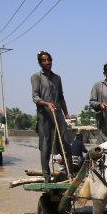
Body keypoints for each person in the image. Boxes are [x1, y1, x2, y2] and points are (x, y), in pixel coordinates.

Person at [31, 50, 72, 183]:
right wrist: (46, 104)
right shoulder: (36, 77)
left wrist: (66, 113)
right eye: (44, 60)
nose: (47, 62)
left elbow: (61, 97)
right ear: (40, 63)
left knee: (65, 142)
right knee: (45, 145)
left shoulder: (57, 78)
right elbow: (35, 97)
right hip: (44, 114)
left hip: (58, 112)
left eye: (49, 60)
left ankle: (69, 172)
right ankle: (47, 176)